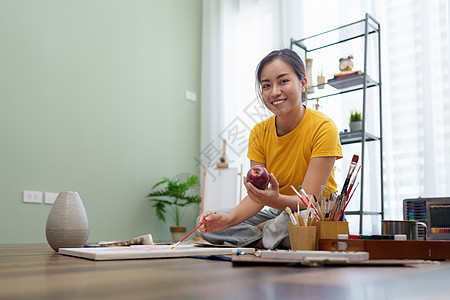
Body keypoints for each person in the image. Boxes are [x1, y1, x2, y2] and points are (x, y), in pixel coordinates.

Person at [198, 49, 342, 249]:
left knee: (293, 222)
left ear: (302, 84)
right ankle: (267, 235)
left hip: (314, 210)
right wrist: (228, 220)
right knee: (209, 224)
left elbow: (309, 199)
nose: (274, 92)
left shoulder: (323, 127)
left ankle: (264, 235)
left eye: (283, 81)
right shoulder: (259, 132)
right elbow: (257, 197)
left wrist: (275, 201)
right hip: (277, 209)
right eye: (266, 85)